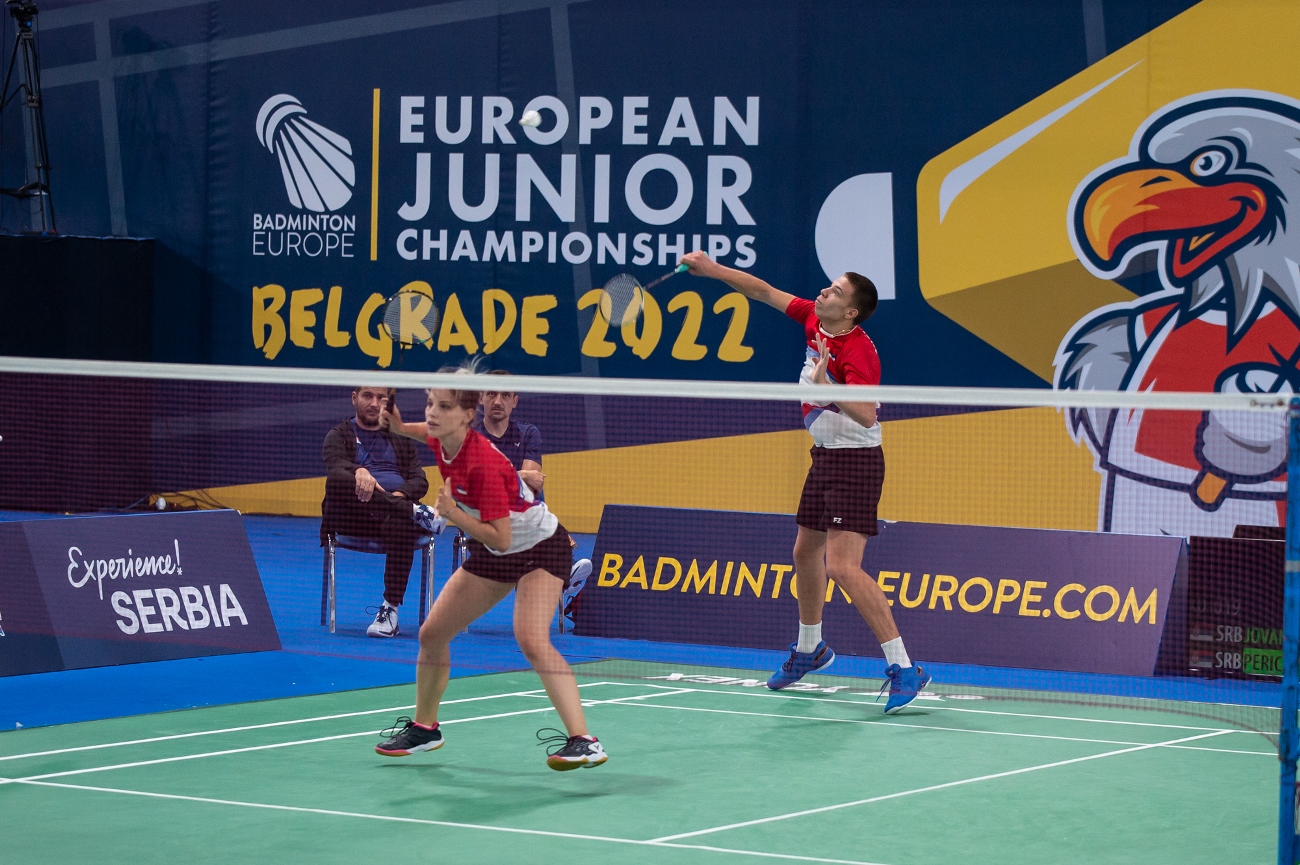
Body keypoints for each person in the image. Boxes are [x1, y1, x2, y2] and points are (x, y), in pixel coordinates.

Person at [680, 251, 931, 713]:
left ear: (850, 311)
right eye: (828, 286)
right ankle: (810, 649)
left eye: (835, 291)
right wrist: (712, 269)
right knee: (804, 551)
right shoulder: (814, 319)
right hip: (825, 456)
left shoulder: (857, 351)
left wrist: (827, 385)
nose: (823, 292)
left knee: (843, 568)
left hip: (856, 462)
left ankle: (904, 667)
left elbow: (867, 412)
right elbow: (763, 291)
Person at [374, 376, 607, 769]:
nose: (433, 414)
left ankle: (584, 740)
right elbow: (424, 432)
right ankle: (425, 729)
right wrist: (398, 426)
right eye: (431, 404)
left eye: (444, 407)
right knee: (433, 633)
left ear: (467, 416)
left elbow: (500, 537)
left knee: (531, 638)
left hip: (538, 548)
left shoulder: (482, 463)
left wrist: (453, 514)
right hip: (496, 550)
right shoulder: (444, 438)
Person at [321, 386, 442, 638]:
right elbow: (336, 466)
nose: (374, 403)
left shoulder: (400, 437)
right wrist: (358, 471)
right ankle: (415, 512)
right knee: (337, 479)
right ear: (354, 398)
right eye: (367, 396)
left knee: (402, 523)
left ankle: (390, 611)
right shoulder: (338, 434)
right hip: (353, 516)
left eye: (381, 398)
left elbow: (419, 480)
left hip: (391, 520)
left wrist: (395, 496)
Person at [473, 370, 593, 591]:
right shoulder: (470, 436)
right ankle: (562, 571)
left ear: (514, 401)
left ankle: (558, 572)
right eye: (491, 394)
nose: (497, 401)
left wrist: (509, 477)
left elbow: (534, 481)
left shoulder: (528, 433)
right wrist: (520, 475)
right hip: (482, 515)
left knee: (528, 493)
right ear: (481, 398)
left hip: (520, 513)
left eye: (505, 395)